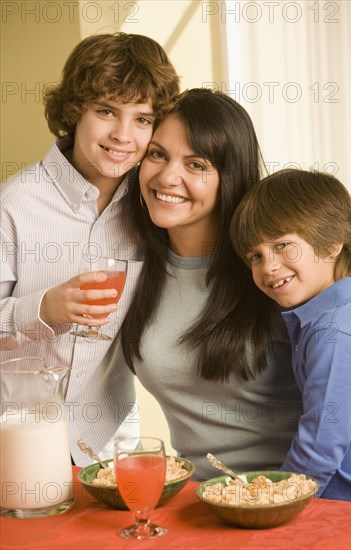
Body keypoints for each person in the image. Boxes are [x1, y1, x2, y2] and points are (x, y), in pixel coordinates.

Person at [0, 32, 180, 464]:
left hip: (112, 440)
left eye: (142, 119)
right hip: (18, 434)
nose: (123, 135)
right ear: (74, 110)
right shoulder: (13, 204)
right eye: (106, 111)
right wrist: (43, 309)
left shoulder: (152, 205)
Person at [120, 88, 303, 481]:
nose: (168, 177)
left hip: (298, 496)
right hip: (199, 500)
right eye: (157, 154)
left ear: (230, 175)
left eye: (197, 164)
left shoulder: (275, 268)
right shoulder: (132, 261)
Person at [230, 168, 351, 502]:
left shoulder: (336, 332)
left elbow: (320, 446)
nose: (268, 266)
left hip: (344, 509)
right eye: (256, 256)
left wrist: (269, 503)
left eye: (283, 245)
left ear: (332, 243)